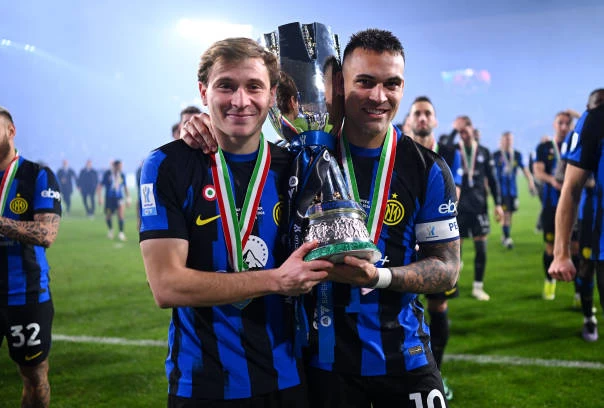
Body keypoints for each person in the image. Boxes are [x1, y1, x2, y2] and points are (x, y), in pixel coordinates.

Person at [181, 28, 460, 408]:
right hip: (320, 368)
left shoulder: (426, 168)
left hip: (404, 359)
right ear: (339, 88)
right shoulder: (293, 159)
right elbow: (237, 146)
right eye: (365, 82)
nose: (379, 96)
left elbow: (447, 269)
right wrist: (202, 125)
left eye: (391, 84)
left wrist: (378, 277)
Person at [139, 37, 331, 407]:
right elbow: (167, 286)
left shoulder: (297, 168)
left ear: (272, 96)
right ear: (203, 91)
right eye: (226, 85)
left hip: (288, 378)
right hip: (202, 384)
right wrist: (277, 280)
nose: (240, 100)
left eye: (254, 87)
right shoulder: (168, 165)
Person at [0, 105, 61, 408]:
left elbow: (46, 234)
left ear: (11, 132)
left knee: (34, 376)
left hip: (26, 294)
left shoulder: (37, 175)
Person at [407, 95, 462, 401]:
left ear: (435, 120)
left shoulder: (449, 154)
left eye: (428, 113)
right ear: (409, 120)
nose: (423, 118)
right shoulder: (398, 154)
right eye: (418, 113)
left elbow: (455, 194)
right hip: (405, 243)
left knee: (438, 307)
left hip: (436, 239)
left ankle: (437, 373)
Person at [550, 88, 604, 341]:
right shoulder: (592, 122)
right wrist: (561, 253)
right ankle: (588, 316)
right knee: (585, 267)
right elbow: (568, 184)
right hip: (591, 217)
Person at [454, 116, 504, 301]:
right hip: (458, 207)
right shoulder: (454, 150)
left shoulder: (483, 152)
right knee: (455, 249)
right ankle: (452, 284)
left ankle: (478, 287)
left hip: (479, 206)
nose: (463, 134)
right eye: (459, 132)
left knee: (481, 248)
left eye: (465, 130)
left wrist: (498, 204)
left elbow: (493, 180)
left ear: (472, 129)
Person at [533, 111, 575, 300]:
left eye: (568, 123)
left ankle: (579, 292)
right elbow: (537, 171)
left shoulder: (577, 144)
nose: (564, 127)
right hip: (551, 203)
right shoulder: (544, 147)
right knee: (550, 246)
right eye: (560, 123)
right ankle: (550, 282)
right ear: (554, 124)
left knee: (576, 247)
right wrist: (553, 181)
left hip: (574, 204)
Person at [492, 131, 536, 249]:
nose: (508, 142)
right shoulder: (496, 155)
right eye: (506, 139)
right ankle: (507, 237)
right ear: (501, 141)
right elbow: (489, 173)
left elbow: (525, 169)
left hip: (512, 190)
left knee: (510, 214)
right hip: (501, 190)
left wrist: (530, 182)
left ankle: (505, 235)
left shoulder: (516, 154)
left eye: (510, 139)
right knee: (505, 213)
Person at [98, 159, 130, 241]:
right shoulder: (107, 174)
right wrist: (100, 197)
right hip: (109, 199)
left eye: (121, 166)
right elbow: (100, 186)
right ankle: (111, 230)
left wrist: (128, 198)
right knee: (108, 215)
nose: (121, 168)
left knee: (121, 214)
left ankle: (121, 233)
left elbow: (125, 187)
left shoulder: (122, 175)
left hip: (119, 198)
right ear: (115, 166)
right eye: (120, 166)